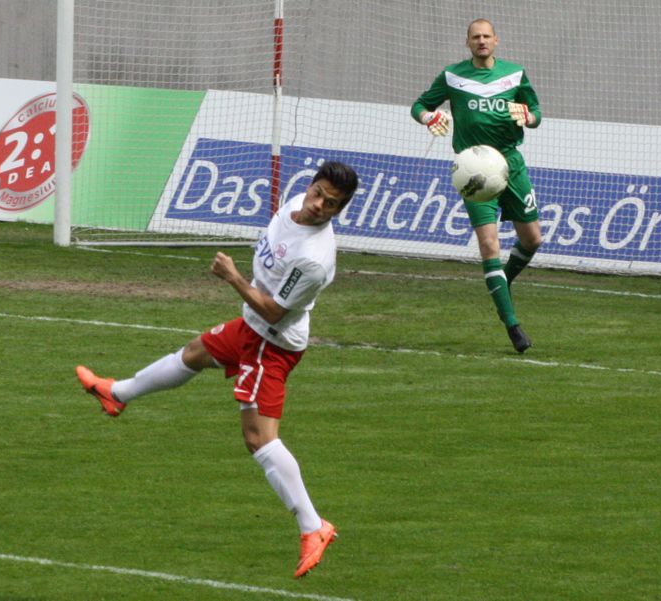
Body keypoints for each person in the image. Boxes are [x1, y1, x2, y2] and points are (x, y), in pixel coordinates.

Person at [75, 161, 359, 578]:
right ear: (311, 186)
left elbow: (275, 312)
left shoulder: (314, 259)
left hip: (271, 342)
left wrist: (232, 277)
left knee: (258, 439)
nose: (318, 205)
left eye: (331, 204)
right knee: (195, 353)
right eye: (318, 193)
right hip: (251, 326)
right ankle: (115, 394)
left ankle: (312, 526)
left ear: (339, 210)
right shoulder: (295, 201)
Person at [411, 18, 542, 353]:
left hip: (510, 165)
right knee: (489, 245)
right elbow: (419, 105)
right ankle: (512, 325)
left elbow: (535, 112)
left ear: (496, 40)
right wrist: (429, 117)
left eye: (486, 36)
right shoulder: (452, 76)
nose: (481, 41)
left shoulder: (515, 74)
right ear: (467, 42)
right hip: (473, 171)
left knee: (533, 239)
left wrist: (528, 117)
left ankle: (502, 283)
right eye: (475, 37)